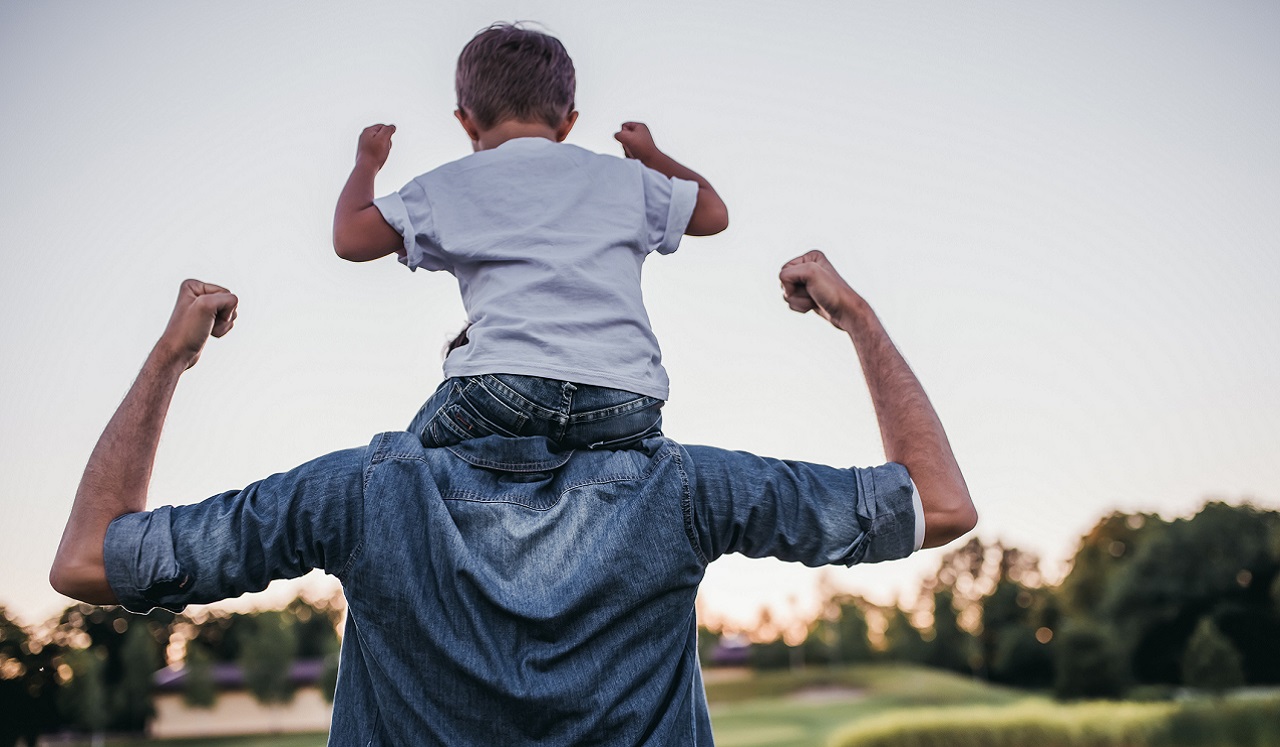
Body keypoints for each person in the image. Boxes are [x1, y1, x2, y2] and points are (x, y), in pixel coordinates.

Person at [50, 251, 976, 745]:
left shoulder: (362, 494)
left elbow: (89, 557)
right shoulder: (682, 487)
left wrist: (172, 356)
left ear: (459, 372)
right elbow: (938, 503)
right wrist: (855, 317)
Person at [332, 23, 730, 452]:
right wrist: (651, 156)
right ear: (568, 122)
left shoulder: (450, 185)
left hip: (504, 390)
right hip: (627, 398)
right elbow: (713, 213)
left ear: (466, 122)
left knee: (401, 465)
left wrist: (367, 162)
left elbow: (350, 238)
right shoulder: (625, 179)